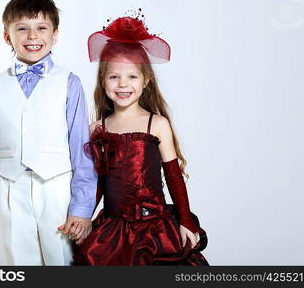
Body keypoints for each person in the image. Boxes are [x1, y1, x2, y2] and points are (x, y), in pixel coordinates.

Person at [0, 0, 96, 265]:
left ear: (55, 34)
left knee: (61, 258)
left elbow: (81, 149)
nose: (32, 37)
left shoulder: (69, 83)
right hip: (11, 187)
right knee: (19, 259)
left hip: (57, 186)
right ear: (7, 36)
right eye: (22, 29)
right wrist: (9, 161)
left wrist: (82, 207)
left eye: (41, 28)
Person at [73, 16, 209, 265]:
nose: (123, 84)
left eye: (132, 77)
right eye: (114, 77)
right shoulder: (97, 128)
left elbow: (173, 176)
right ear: (103, 81)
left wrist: (186, 221)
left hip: (154, 230)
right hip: (114, 230)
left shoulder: (157, 124)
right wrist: (84, 217)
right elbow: (98, 181)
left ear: (146, 81)